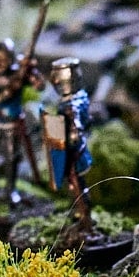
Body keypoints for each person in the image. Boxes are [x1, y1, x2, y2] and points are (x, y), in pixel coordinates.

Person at [0, 38, 42, 203]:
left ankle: (10, 190)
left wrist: (31, 71)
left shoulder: (19, 75)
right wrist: (11, 87)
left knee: (11, 157)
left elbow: (40, 86)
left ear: (11, 60)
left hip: (11, 125)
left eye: (3, 59)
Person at [42, 57, 94, 230]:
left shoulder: (72, 104)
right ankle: (80, 214)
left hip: (73, 150)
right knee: (75, 183)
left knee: (76, 183)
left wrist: (72, 131)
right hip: (73, 148)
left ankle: (84, 217)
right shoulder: (81, 97)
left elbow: (77, 125)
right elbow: (87, 121)